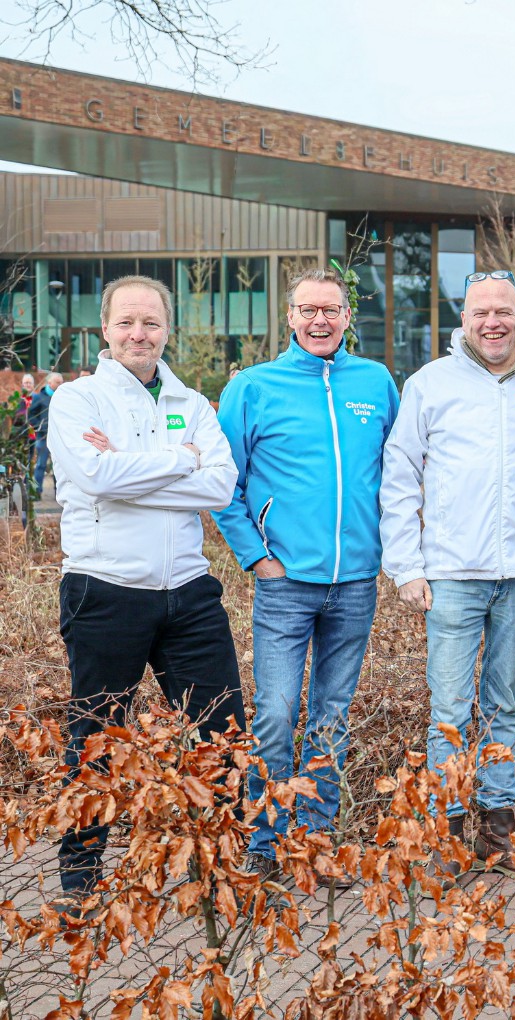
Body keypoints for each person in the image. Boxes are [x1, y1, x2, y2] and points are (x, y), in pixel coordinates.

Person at [46, 275, 243, 904]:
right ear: (104, 329)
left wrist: (139, 471)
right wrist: (181, 460)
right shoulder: (79, 402)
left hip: (189, 592)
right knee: (100, 737)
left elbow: (221, 488)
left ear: (167, 329)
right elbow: (96, 476)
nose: (139, 334)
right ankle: (80, 878)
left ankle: (215, 871)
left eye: (151, 323)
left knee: (222, 735)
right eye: (127, 322)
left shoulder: (190, 401)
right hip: (105, 591)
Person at [381, 269, 515, 872]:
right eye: (479, 313)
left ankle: (497, 833)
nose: (492, 322)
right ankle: (445, 833)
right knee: (449, 706)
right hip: (450, 575)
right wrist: (406, 566)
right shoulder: (430, 384)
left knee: (502, 703)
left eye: (504, 311)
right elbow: (398, 478)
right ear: (462, 322)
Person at [214, 267, 398, 881]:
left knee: (332, 715)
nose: (321, 320)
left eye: (333, 309)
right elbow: (223, 484)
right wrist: (256, 556)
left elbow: (399, 474)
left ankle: (316, 846)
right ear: (289, 316)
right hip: (285, 582)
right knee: (275, 712)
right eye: (308, 310)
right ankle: (264, 844)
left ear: (349, 316)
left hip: (356, 582)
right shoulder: (254, 387)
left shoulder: (375, 382)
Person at [27, 371, 63, 495]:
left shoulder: (63, 397)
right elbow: (30, 415)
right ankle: (37, 492)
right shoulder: (39, 397)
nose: (60, 385)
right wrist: (39, 427)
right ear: (50, 382)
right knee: (41, 465)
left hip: (59, 439)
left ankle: (59, 492)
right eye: (57, 382)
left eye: (61, 382)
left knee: (59, 467)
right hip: (43, 437)